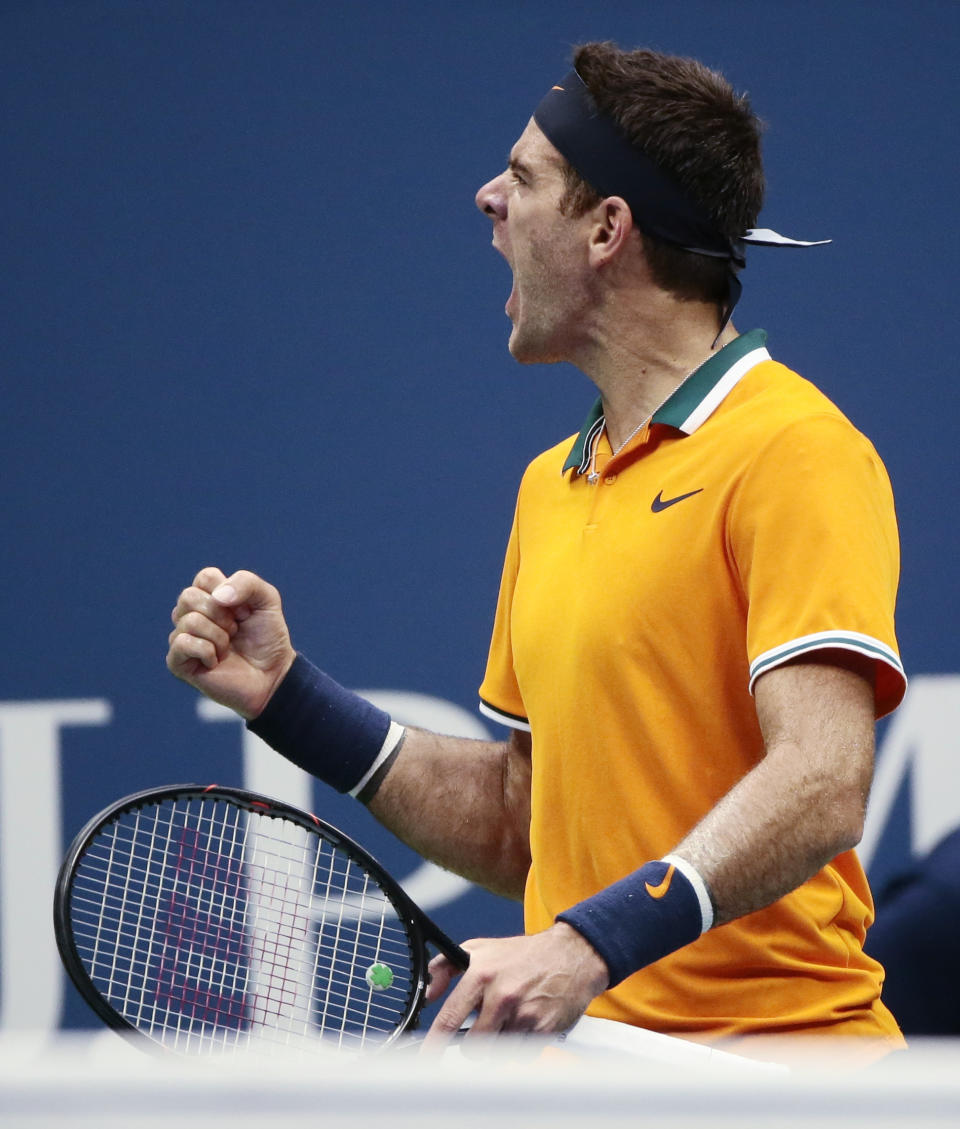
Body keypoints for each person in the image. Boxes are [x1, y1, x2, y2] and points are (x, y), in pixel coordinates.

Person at [167, 43, 907, 1061]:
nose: (486, 198)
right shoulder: (549, 485)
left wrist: (586, 943)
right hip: (600, 1079)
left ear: (608, 229)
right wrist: (289, 698)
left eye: (521, 177)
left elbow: (824, 779)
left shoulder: (794, 450)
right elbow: (526, 824)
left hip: (783, 1075)